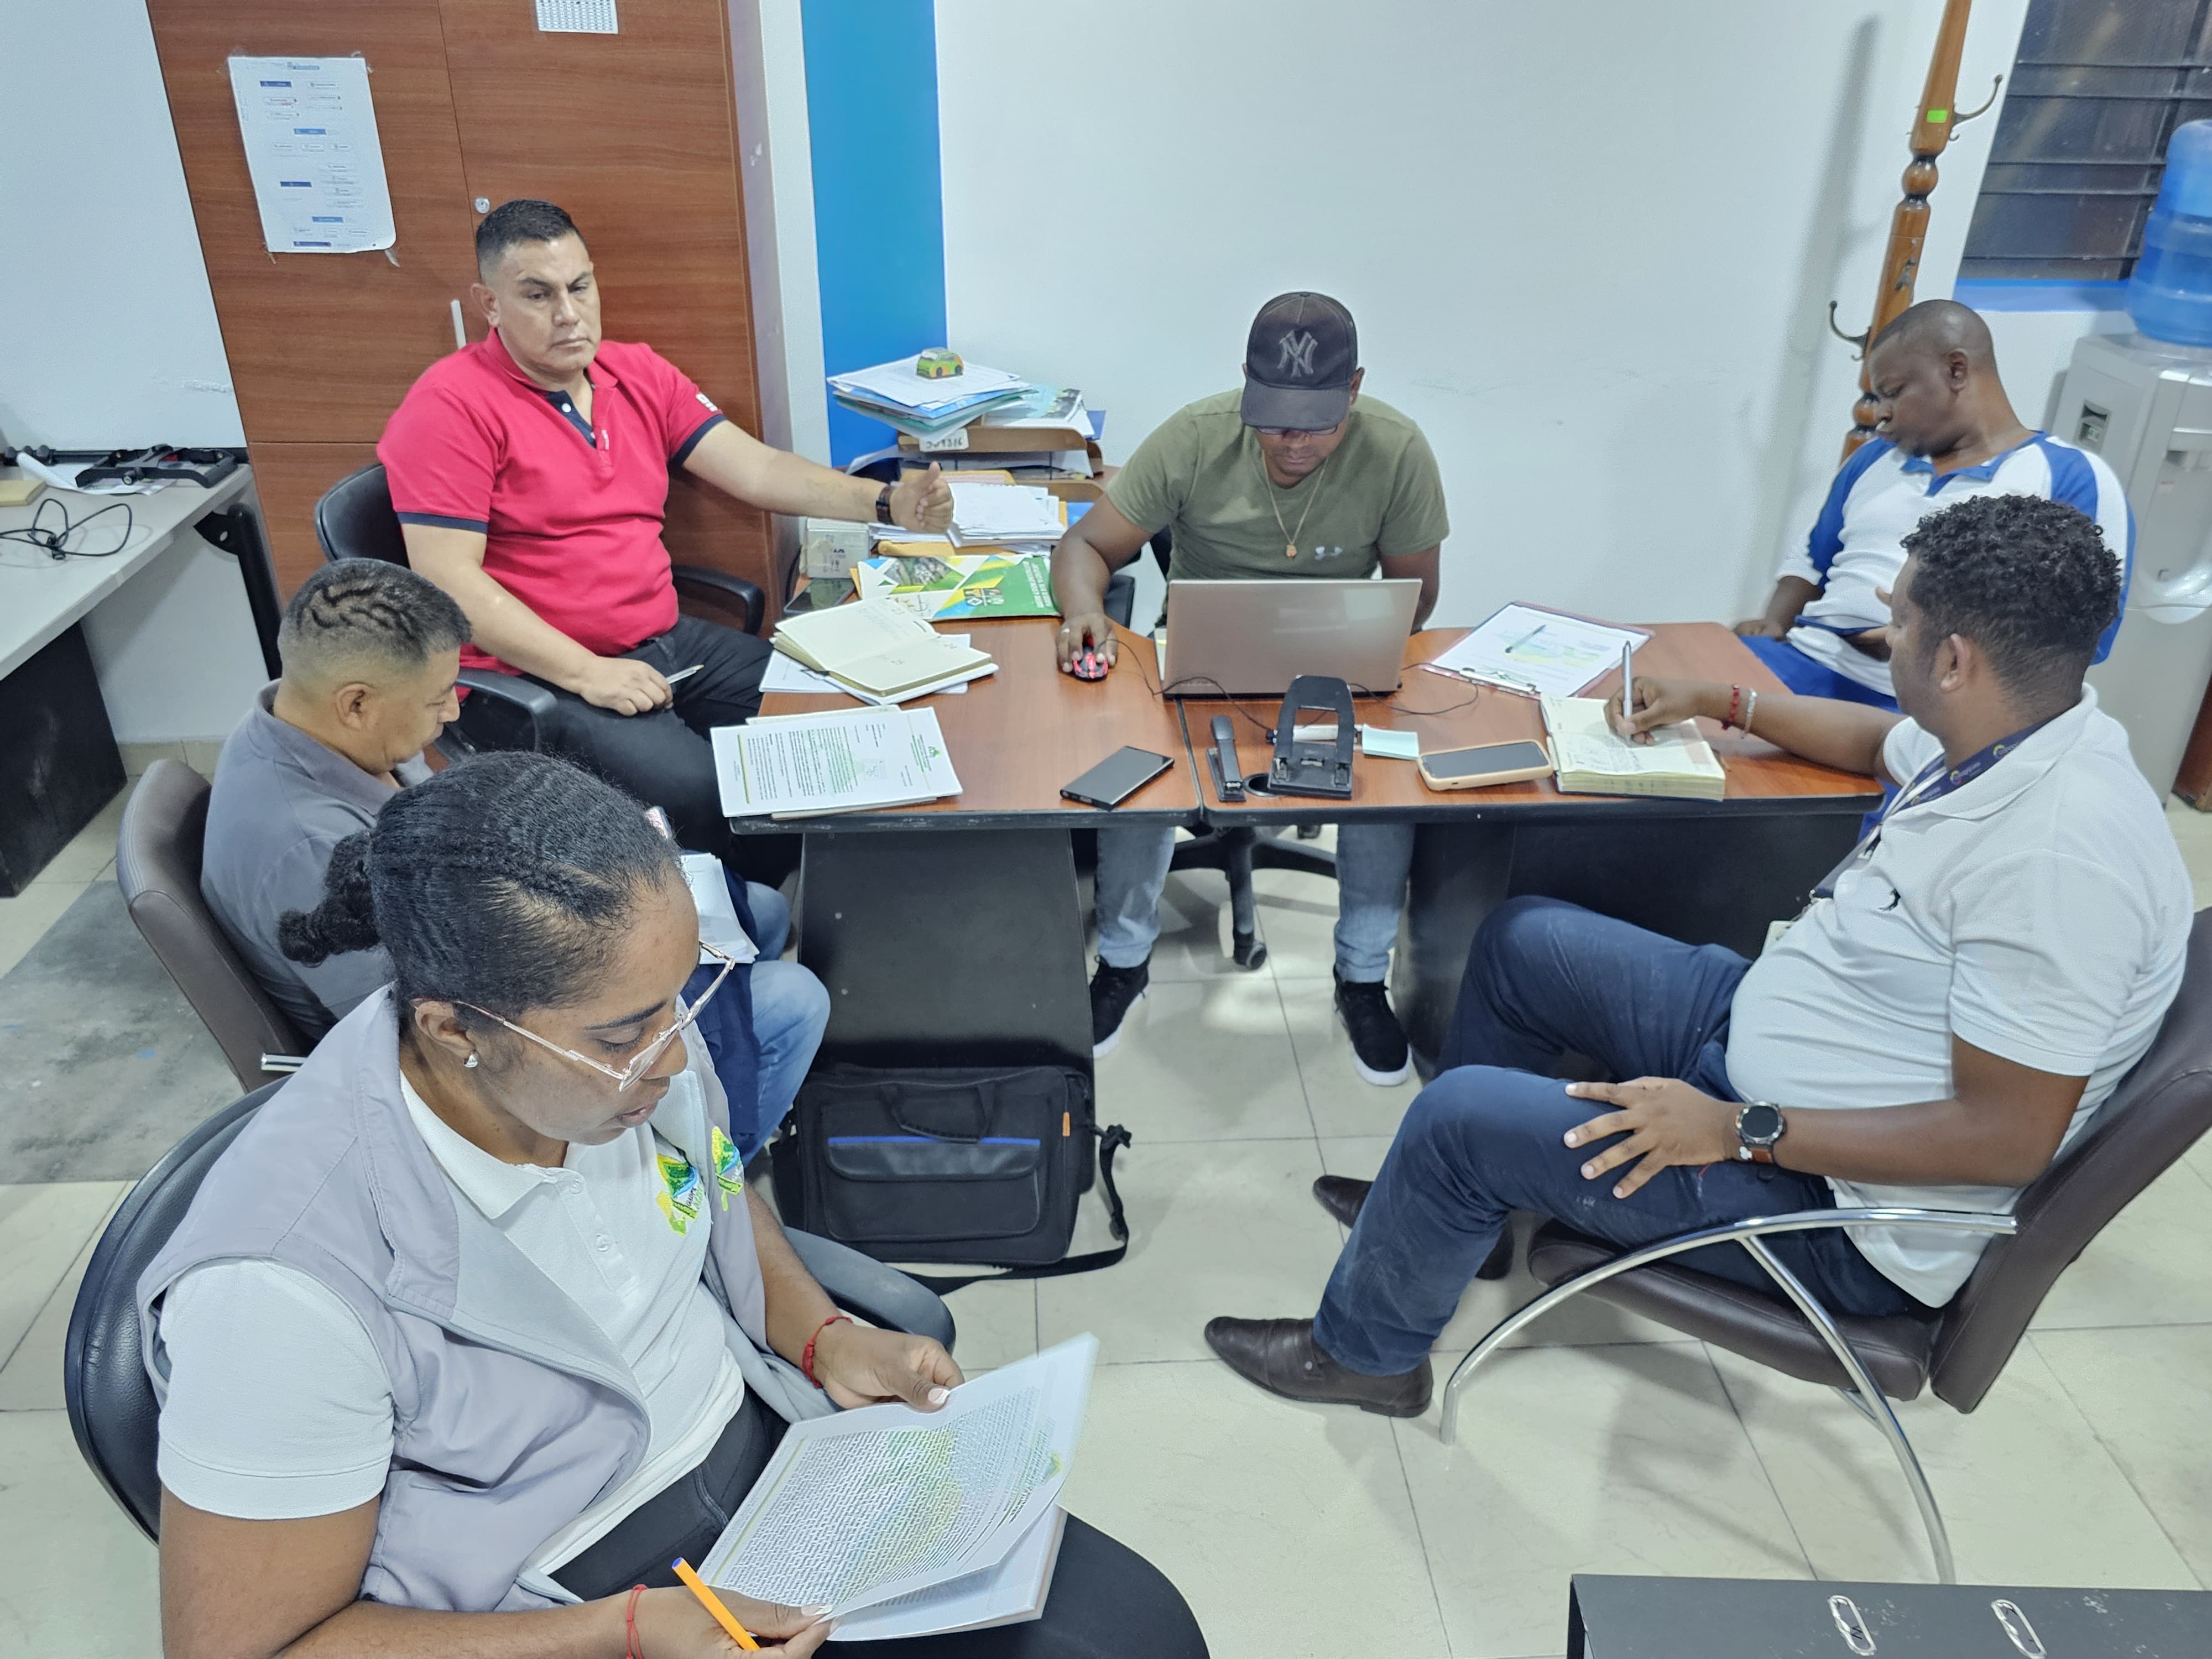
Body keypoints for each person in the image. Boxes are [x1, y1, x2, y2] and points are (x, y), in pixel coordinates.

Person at [141, 752, 1208, 1659]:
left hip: (769, 1463)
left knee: (1143, 1632)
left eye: (680, 998)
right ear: (455, 1030)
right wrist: (624, 1634)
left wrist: (821, 1334)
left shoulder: (624, 1053)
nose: (672, 1054)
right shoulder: (279, 1288)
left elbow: (716, 1194)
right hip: (557, 1594)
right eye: (624, 1034)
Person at [1204, 493, 2188, 1416]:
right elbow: (1877, 742)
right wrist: (1722, 700)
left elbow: (2004, 1139)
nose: (1886, 635)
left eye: (1900, 620)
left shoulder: (2060, 861)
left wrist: (1737, 1129)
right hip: (1781, 1052)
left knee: (1457, 1118)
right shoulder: (2011, 731)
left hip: (1826, 1204)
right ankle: (1458, 1223)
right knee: (1523, 941)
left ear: (1956, 660)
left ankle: (1367, 1358)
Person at [379, 198, 954, 880]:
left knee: (820, 706)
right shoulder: (449, 406)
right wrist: (586, 672)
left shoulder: (636, 372)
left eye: (579, 287)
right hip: (540, 677)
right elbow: (447, 580)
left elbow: (757, 470)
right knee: (705, 796)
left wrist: (886, 502)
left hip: (666, 640)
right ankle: (742, 914)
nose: (568, 314)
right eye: (537, 295)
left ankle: (804, 891)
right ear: (489, 304)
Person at [1051, 292, 1450, 1080]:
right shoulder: (1196, 436)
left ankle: (1361, 978)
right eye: (1273, 421)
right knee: (1135, 772)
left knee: (1388, 784)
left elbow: (1416, 602)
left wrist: (1356, 644)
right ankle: (1124, 963)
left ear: (1355, 389)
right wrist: (1085, 613)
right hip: (1200, 664)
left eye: (1316, 423)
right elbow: (1084, 548)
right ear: (1245, 382)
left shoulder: (1398, 451)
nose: (1292, 442)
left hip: (1337, 668)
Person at [1736, 298, 2129, 709]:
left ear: (1956, 370)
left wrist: (1926, 642)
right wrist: (1774, 625)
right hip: (1807, 658)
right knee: (1695, 685)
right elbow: (1814, 556)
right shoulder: (1874, 459)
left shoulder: (2069, 476)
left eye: (1893, 393)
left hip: (1926, 710)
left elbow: (2086, 633)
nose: (1880, 414)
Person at [200, 559, 467, 1039]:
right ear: (356, 705)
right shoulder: (314, 852)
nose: (452, 711)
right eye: (438, 699)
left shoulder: (301, 716)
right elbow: (416, 1031)